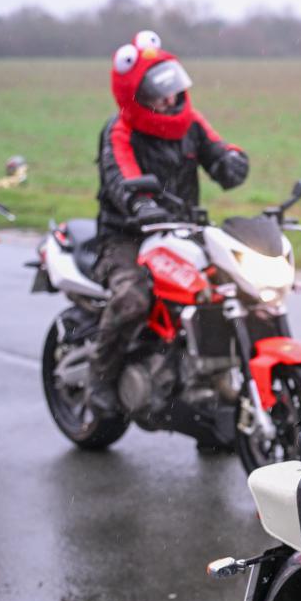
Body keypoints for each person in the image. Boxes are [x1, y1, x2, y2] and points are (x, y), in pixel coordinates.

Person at [89, 30, 249, 414]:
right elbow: (121, 177)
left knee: (232, 290)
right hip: (126, 236)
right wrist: (140, 204)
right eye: (156, 92)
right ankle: (100, 378)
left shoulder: (190, 123)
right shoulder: (120, 130)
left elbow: (219, 152)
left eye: (172, 88)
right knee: (132, 299)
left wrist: (231, 163)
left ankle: (213, 380)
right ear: (134, 95)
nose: (168, 98)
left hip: (182, 232)